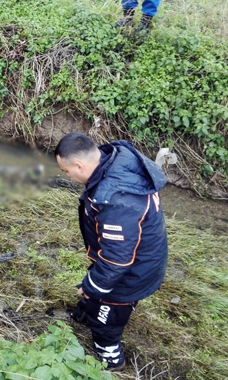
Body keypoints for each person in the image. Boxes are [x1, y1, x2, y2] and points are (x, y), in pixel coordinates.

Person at [54, 133, 168, 369]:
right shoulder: (118, 157)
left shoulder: (114, 200)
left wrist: (92, 287)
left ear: (79, 165)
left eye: (66, 171)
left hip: (133, 272)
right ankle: (88, 310)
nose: (67, 176)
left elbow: (116, 262)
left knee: (106, 321)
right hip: (135, 255)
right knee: (96, 289)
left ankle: (110, 358)